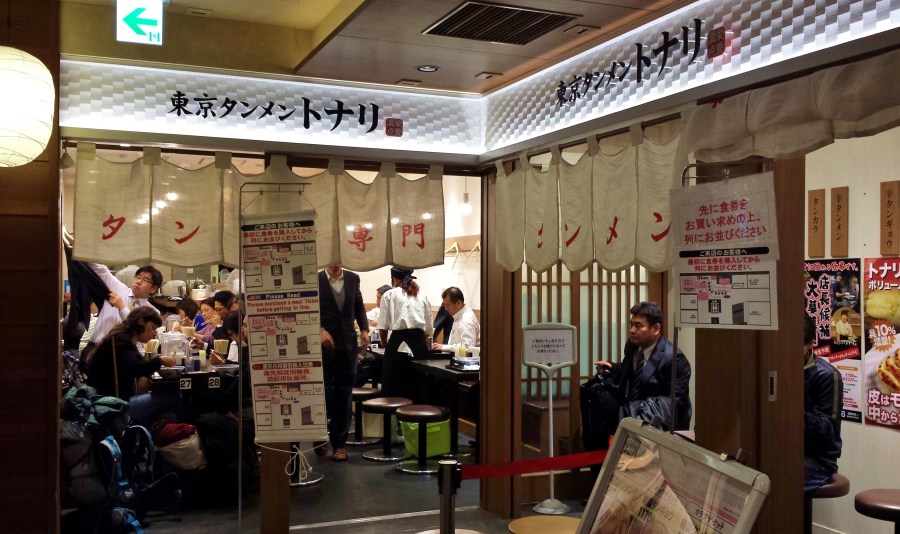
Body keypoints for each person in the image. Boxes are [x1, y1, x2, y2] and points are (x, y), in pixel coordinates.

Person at [595, 301, 692, 431]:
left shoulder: (674, 358)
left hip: (660, 426)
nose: (632, 330)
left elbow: (677, 402)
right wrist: (613, 368)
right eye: (631, 324)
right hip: (633, 417)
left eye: (638, 326)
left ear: (656, 329)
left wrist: (644, 410)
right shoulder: (633, 345)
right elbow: (632, 371)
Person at [86, 306, 177, 423]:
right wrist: (160, 361)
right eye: (153, 327)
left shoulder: (125, 338)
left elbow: (137, 366)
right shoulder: (121, 341)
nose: (154, 333)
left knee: (169, 415)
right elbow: (135, 368)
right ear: (141, 322)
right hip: (114, 405)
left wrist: (143, 376)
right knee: (173, 397)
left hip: (114, 401)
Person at [318, 263, 369, 462]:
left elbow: (358, 305)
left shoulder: (352, 278)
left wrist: (364, 329)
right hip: (323, 348)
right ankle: (320, 435)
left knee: (344, 395)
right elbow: (307, 310)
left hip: (348, 347)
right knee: (323, 394)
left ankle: (339, 444)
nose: (336, 262)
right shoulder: (315, 279)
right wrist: (320, 329)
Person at [83, 263, 164, 359]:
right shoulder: (118, 288)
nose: (138, 281)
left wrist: (122, 308)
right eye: (138, 277)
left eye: (145, 280)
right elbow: (101, 270)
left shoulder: (152, 312)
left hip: (121, 355)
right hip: (95, 348)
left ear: (153, 288)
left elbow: (138, 332)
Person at [378, 267, 433, 400]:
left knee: (393, 384)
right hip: (419, 346)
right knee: (418, 384)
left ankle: (392, 411)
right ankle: (417, 411)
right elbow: (429, 328)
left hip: (396, 345)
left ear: (395, 279)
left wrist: (385, 344)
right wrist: (423, 340)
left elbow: (383, 327)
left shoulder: (389, 295)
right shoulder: (422, 295)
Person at [804, 316, 843, 491]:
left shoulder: (827, 375)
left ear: (811, 343)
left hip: (819, 459)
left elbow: (827, 431)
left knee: (776, 476)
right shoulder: (778, 367)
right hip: (787, 448)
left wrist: (791, 409)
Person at [432, 287, 480, 352]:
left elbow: (468, 348)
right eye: (444, 305)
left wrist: (444, 347)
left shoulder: (466, 321)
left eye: (448, 305)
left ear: (458, 303)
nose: (445, 309)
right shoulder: (459, 315)